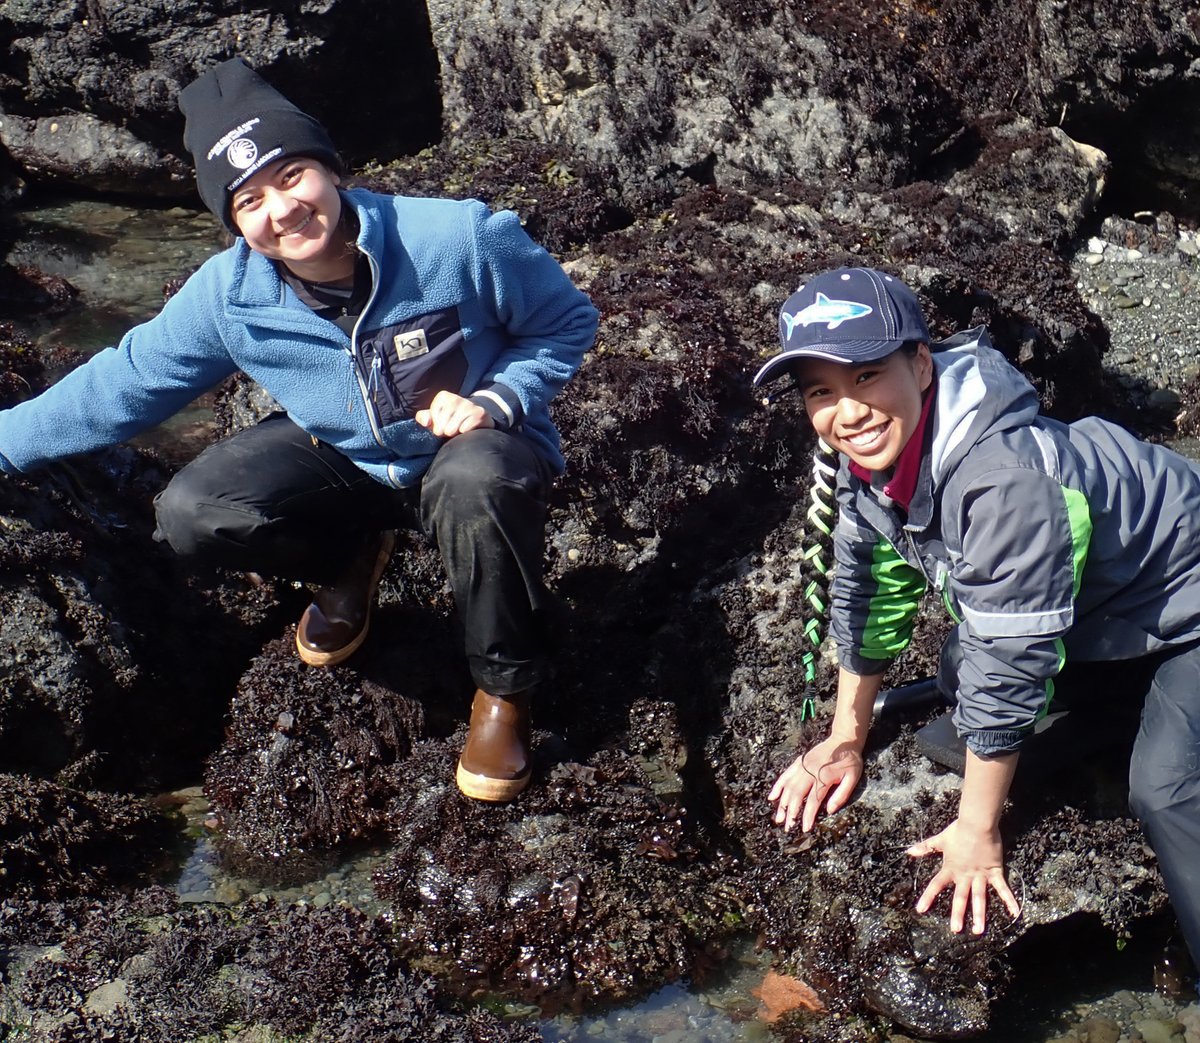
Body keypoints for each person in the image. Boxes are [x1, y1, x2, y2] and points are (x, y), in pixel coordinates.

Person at [0, 57, 599, 803]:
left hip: (471, 452)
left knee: (475, 481)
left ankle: (504, 691)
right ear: (233, 222)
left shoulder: (459, 238)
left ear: (331, 171)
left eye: (291, 178)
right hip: (349, 460)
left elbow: (567, 321)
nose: (280, 211)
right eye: (249, 200)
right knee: (195, 511)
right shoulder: (230, 296)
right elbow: (122, 382)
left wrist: (503, 397)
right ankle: (353, 558)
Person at [753, 266, 1200, 969]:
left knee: (1165, 786)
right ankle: (1124, 704)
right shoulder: (870, 462)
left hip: (1189, 603)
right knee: (957, 705)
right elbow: (870, 590)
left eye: (867, 375)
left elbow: (1012, 653)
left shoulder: (1005, 480)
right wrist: (846, 737)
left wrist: (976, 827)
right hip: (1104, 612)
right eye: (821, 391)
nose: (849, 411)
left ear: (921, 362)